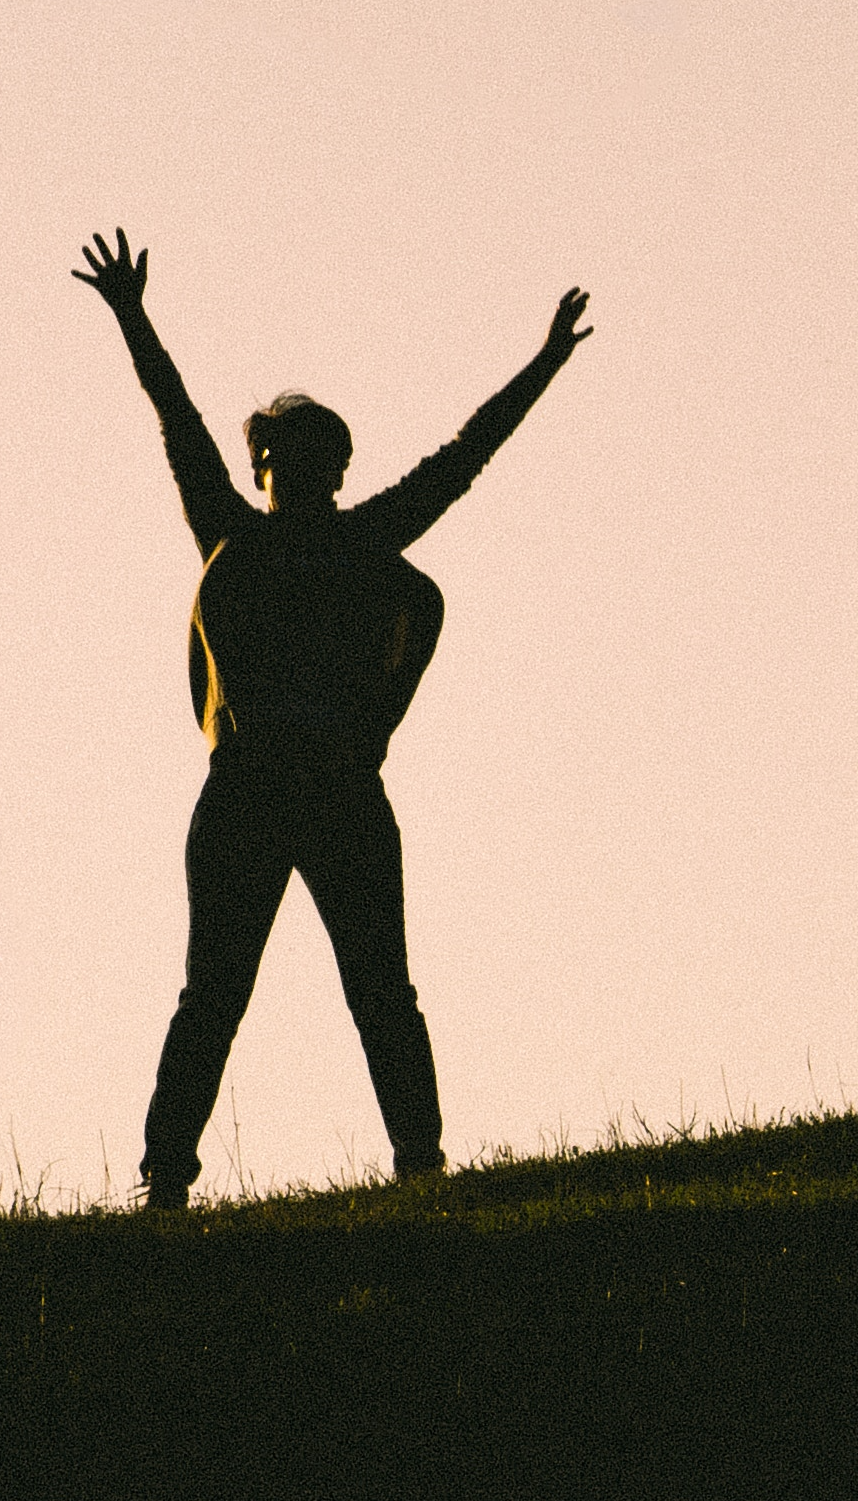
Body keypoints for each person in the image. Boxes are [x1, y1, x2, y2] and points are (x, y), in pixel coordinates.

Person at [75, 229, 589, 1210]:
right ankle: (166, 1183)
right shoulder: (233, 536)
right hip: (249, 784)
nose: (307, 470)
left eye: (325, 456)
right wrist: (132, 316)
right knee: (215, 995)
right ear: (262, 461)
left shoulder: (366, 542)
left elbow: (463, 456)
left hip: (343, 787)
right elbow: (177, 421)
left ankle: (420, 1165)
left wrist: (545, 363)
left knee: (379, 990)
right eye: (287, 453)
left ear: (340, 469)